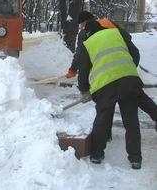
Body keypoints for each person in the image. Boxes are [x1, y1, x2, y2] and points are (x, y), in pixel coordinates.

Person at [66, 11, 157, 134]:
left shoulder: (86, 33)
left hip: (109, 75)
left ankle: (105, 135)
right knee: (139, 97)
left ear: (86, 22)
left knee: (105, 105)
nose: (81, 28)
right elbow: (129, 43)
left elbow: (81, 56)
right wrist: (128, 68)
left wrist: (72, 69)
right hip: (126, 68)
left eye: (81, 25)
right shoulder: (109, 23)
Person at [77, 11, 144, 169]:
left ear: (87, 29)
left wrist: (85, 91)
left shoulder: (89, 42)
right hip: (129, 81)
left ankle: (97, 154)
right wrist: (126, 70)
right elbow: (135, 53)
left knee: (103, 118)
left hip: (106, 86)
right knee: (131, 120)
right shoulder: (116, 34)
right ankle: (135, 158)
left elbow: (83, 70)